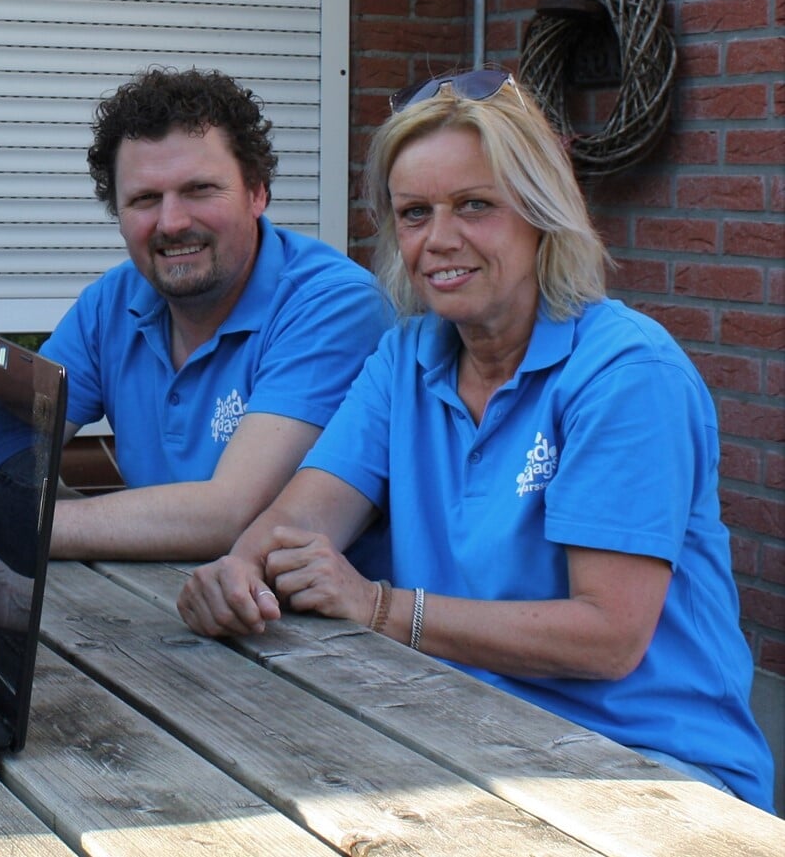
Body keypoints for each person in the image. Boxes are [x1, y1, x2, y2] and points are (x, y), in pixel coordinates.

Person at [177, 71, 774, 809]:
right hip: (466, 735)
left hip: (650, 768)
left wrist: (378, 606)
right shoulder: (406, 358)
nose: (440, 240)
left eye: (475, 206)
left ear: (541, 212)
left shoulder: (626, 374)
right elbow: (302, 519)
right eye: (415, 213)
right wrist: (236, 571)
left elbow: (607, 635)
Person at [0, 68, 392, 564]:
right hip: (163, 614)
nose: (172, 222)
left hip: (323, 640)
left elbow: (231, 514)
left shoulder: (332, 304)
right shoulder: (114, 301)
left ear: (257, 192)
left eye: (199, 190)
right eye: (145, 199)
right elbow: (19, 438)